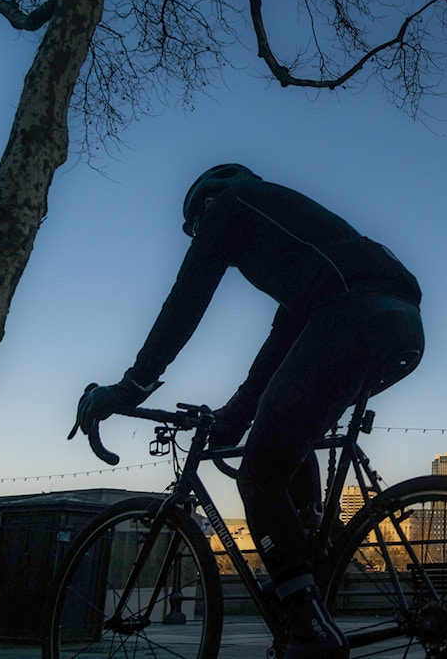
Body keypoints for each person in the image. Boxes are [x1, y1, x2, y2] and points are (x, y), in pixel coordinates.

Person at [72, 164, 424, 659]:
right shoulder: (305, 255)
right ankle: (313, 563)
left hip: (352, 315)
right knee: (289, 431)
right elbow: (280, 347)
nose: (198, 238)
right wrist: (236, 414)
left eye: (195, 229)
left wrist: (129, 388)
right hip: (401, 323)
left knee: (259, 473)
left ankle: (306, 630)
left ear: (205, 206)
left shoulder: (232, 206)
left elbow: (185, 302)